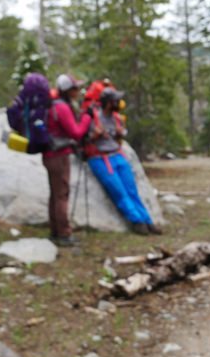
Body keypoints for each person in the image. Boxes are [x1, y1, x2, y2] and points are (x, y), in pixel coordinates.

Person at [84, 87, 161, 235]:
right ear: (108, 103)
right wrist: (93, 135)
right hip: (100, 158)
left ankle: (148, 221)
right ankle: (137, 221)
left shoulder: (117, 117)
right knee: (119, 191)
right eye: (116, 100)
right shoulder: (94, 117)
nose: (119, 103)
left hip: (118, 155)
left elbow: (123, 132)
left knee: (132, 190)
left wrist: (122, 133)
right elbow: (82, 137)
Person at [43, 74, 92, 246]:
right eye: (75, 88)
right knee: (62, 194)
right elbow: (76, 133)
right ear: (67, 90)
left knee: (55, 195)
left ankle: (55, 231)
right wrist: (87, 117)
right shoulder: (62, 107)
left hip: (50, 156)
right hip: (59, 156)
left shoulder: (53, 105)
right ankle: (64, 234)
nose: (78, 91)